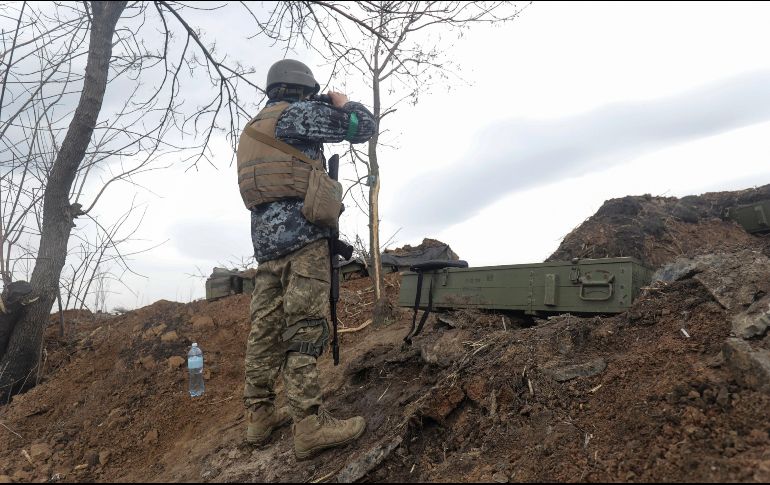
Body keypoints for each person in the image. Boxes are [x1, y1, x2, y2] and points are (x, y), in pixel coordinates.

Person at [236, 59, 376, 459]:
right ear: (301, 89)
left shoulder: (253, 128)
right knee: (304, 328)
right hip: (304, 240)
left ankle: (259, 417)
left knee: (263, 330)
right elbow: (361, 128)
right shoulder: (297, 116)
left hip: (265, 249)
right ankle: (309, 427)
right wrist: (344, 103)